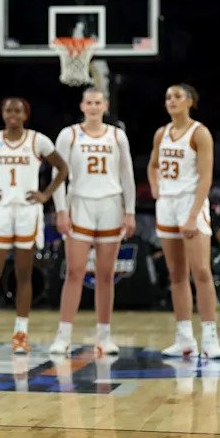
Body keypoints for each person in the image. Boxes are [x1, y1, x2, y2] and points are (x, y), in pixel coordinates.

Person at [0, 98, 68, 354]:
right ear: (2, 113)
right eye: (8, 110)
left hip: (27, 211)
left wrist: (46, 195)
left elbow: (62, 168)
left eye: (18, 110)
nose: (13, 114)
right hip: (1, 211)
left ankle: (21, 333)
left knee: (23, 274)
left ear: (25, 115)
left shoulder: (38, 141)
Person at [48, 87, 138, 357]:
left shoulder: (117, 135)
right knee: (75, 272)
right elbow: (58, 175)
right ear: (82, 106)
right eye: (89, 102)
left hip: (110, 204)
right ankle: (63, 336)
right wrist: (61, 210)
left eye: (98, 102)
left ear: (105, 106)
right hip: (80, 204)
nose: (94, 107)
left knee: (106, 275)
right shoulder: (69, 134)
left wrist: (130, 211)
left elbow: (127, 175)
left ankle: (104, 336)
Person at [148, 83, 220, 359]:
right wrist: (155, 187)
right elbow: (153, 165)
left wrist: (193, 215)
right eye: (168, 97)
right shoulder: (161, 133)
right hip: (167, 205)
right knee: (176, 274)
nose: (171, 100)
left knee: (201, 271)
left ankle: (210, 338)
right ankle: (184, 338)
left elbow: (206, 177)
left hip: (190, 203)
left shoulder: (199, 133)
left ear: (190, 101)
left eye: (177, 96)